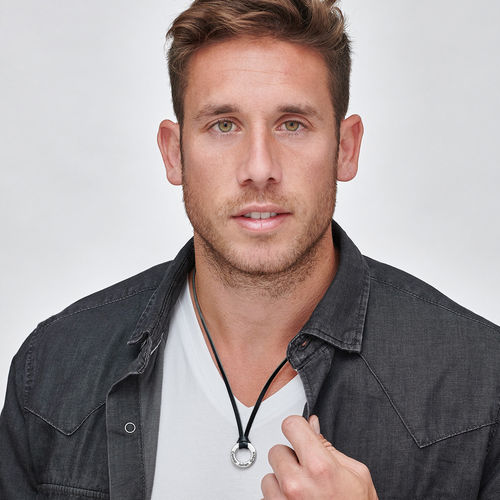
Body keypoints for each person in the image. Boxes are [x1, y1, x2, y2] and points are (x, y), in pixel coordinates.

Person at [1, 0, 499, 498]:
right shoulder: (50, 370)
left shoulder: (480, 384)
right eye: (224, 125)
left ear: (345, 149)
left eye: (292, 124)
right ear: (174, 154)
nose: (259, 169)